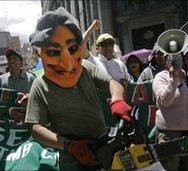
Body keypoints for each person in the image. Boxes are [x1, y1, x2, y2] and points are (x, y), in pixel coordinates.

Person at [25, 7, 132, 170]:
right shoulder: (40, 86)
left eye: (72, 48)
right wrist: (70, 145)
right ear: (41, 54)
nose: (67, 64)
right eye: (54, 52)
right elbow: (35, 128)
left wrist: (117, 99)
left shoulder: (86, 67)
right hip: (72, 159)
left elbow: (112, 82)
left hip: (103, 147)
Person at [152, 51, 188, 171]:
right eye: (170, 58)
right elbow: (165, 101)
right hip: (170, 135)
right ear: (165, 61)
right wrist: (174, 77)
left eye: (177, 57)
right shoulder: (160, 77)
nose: (174, 60)